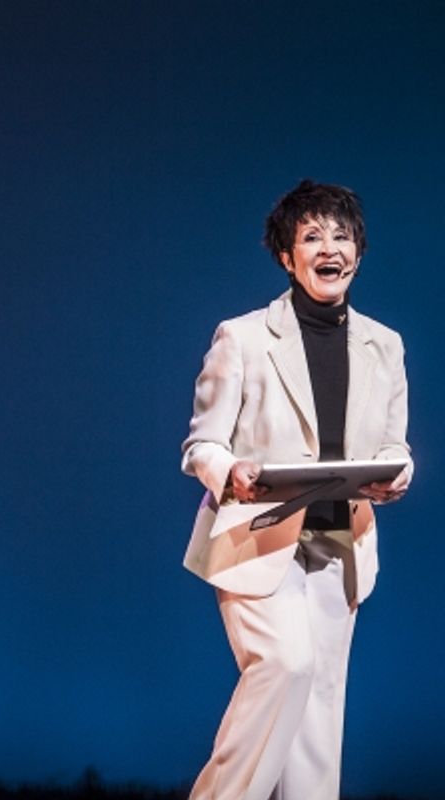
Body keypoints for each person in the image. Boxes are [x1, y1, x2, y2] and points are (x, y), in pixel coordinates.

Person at [181, 179, 411, 799]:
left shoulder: (384, 346)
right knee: (286, 665)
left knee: (318, 715)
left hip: (343, 542)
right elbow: (202, 443)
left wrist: (398, 471)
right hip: (257, 538)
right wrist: (228, 470)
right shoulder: (243, 337)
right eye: (312, 237)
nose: (329, 247)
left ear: (359, 250)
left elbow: (393, 444)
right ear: (287, 256)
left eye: (341, 235)